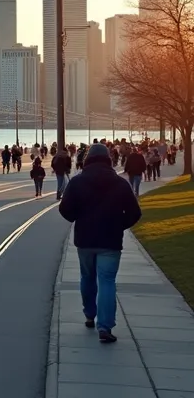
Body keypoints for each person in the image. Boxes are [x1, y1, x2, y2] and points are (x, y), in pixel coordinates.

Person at [59, 143, 143, 344]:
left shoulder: (78, 182)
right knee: (107, 281)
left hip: (85, 239)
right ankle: (105, 326)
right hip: (110, 240)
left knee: (87, 276)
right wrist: (118, 225)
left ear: (88, 159)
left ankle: (89, 313)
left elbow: (65, 209)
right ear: (109, 160)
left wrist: (78, 218)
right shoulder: (120, 184)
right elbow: (135, 213)